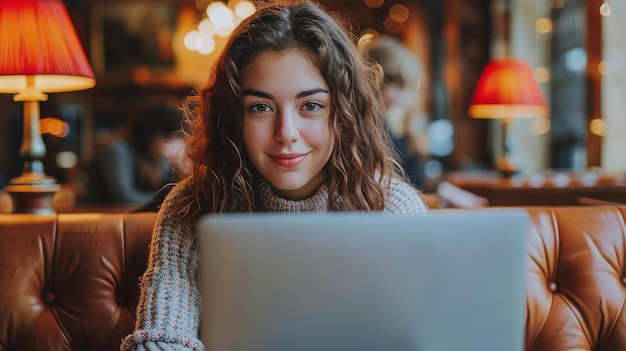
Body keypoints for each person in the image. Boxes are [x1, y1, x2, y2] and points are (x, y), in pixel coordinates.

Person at [120, 1, 427, 350]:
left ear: (344, 112)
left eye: (310, 105)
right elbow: (162, 341)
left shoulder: (393, 208)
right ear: (234, 117)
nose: (286, 133)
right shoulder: (193, 206)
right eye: (260, 107)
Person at [77, 98, 188, 207]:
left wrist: (181, 170)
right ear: (150, 137)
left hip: (131, 220)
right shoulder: (118, 150)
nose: (169, 147)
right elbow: (124, 198)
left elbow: (167, 191)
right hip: (103, 220)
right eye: (166, 140)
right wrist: (170, 202)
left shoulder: (158, 159)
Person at [360, 34, 429, 189]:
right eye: (398, 86)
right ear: (375, 81)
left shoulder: (392, 127)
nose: (402, 98)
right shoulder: (368, 131)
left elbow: (413, 181)